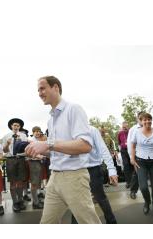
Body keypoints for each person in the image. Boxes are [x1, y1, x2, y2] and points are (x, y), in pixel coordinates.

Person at [25, 75, 101, 224]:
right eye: (38, 90)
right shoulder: (51, 119)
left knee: (89, 223)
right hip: (54, 179)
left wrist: (48, 144)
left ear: (56, 87)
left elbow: (85, 145)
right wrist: (38, 149)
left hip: (74, 178)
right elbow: (56, 149)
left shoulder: (74, 109)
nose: (39, 93)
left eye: (42, 88)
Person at [72, 125, 118, 224]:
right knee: (76, 201)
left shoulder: (92, 130)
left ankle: (112, 222)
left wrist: (112, 169)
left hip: (93, 169)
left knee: (100, 197)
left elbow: (103, 149)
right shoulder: (69, 130)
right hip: (76, 170)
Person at [131, 113, 153, 223]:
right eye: (145, 120)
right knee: (143, 187)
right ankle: (147, 202)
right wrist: (132, 159)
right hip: (141, 162)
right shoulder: (136, 132)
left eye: (149, 119)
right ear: (140, 121)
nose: (147, 121)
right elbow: (132, 146)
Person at [2, 118, 28, 213]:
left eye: (18, 125)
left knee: (21, 181)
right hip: (10, 160)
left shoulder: (23, 136)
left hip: (21, 159)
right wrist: (7, 144)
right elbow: (4, 151)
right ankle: (15, 202)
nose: (16, 127)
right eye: (14, 125)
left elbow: (27, 148)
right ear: (11, 126)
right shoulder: (6, 136)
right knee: (12, 182)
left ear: (20, 127)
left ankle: (20, 200)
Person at [126, 112, 143, 199]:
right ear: (137, 118)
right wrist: (131, 157)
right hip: (137, 155)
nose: (142, 120)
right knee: (137, 174)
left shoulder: (150, 127)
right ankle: (133, 191)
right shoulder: (133, 129)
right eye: (140, 118)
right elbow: (129, 143)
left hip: (150, 155)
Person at [118, 122, 134, 190]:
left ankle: (134, 181)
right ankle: (128, 182)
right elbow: (119, 142)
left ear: (128, 127)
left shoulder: (131, 132)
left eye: (126, 127)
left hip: (130, 150)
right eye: (123, 127)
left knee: (132, 165)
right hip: (123, 151)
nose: (124, 128)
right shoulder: (120, 133)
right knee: (126, 165)